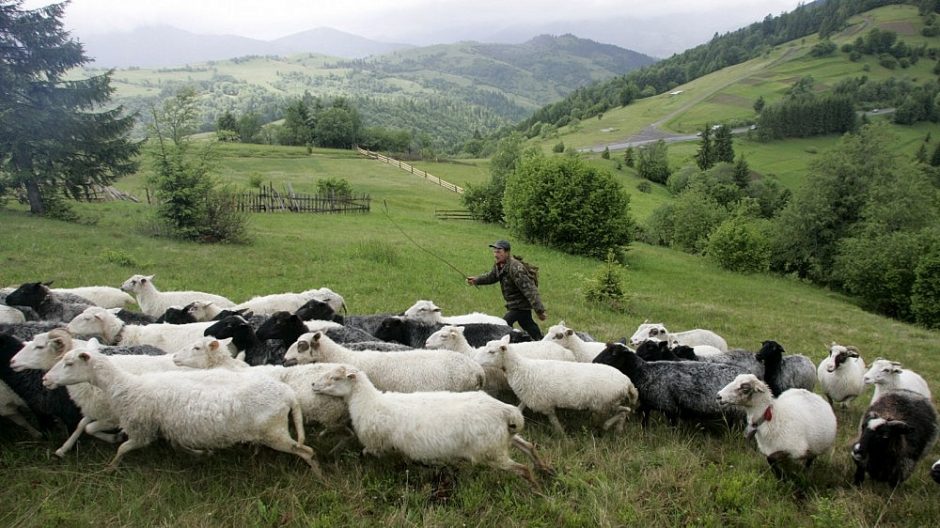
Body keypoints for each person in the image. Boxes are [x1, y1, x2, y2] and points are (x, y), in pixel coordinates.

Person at [466, 239, 546, 340]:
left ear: (507, 252)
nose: (495, 254)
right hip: (515, 305)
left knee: (503, 325)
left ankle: (509, 343)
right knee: (527, 324)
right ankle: (541, 341)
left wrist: (539, 311)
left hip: (520, 306)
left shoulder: (516, 268)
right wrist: (476, 280)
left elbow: (530, 290)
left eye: (499, 252)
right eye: (494, 251)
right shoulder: (500, 265)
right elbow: (492, 276)